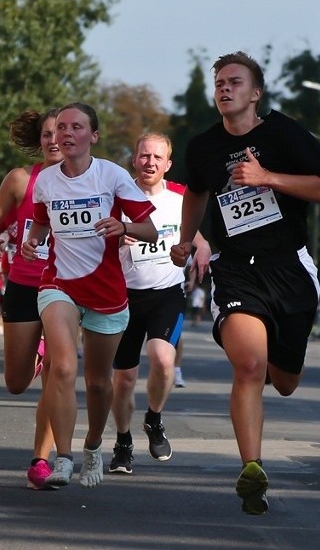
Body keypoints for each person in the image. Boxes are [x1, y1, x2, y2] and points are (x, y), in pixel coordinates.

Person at [170, 51, 320, 514]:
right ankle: (252, 470)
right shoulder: (203, 146)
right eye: (219, 82)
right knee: (247, 368)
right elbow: (197, 193)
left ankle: (272, 355)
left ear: (255, 92)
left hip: (289, 269)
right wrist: (187, 241)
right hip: (236, 270)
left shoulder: (285, 134)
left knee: (284, 381)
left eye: (235, 82)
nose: (225, 89)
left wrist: (267, 177)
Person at [22, 102, 157, 488]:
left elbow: (150, 231)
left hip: (106, 291)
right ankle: (62, 458)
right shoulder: (46, 181)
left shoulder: (112, 176)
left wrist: (123, 225)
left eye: (76, 127)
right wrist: (33, 243)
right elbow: (41, 228)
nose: (66, 134)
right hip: (59, 284)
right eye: (61, 127)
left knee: (99, 382)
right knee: (61, 367)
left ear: (93, 136)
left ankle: (93, 446)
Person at [108, 133, 210, 475]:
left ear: (168, 164)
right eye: (144, 155)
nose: (150, 162)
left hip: (166, 293)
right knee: (123, 379)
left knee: (163, 359)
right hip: (122, 296)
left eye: (157, 157)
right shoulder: (118, 196)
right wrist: (116, 236)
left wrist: (198, 258)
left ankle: (154, 418)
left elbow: (201, 243)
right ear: (134, 160)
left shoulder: (180, 198)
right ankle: (123, 443)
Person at [0, 108, 62, 489]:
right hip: (25, 285)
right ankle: (38, 355)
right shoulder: (21, 179)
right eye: (47, 134)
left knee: (58, 379)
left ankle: (41, 461)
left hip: (67, 289)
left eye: (62, 132)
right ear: (39, 139)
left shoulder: (94, 179)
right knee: (15, 382)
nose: (55, 140)